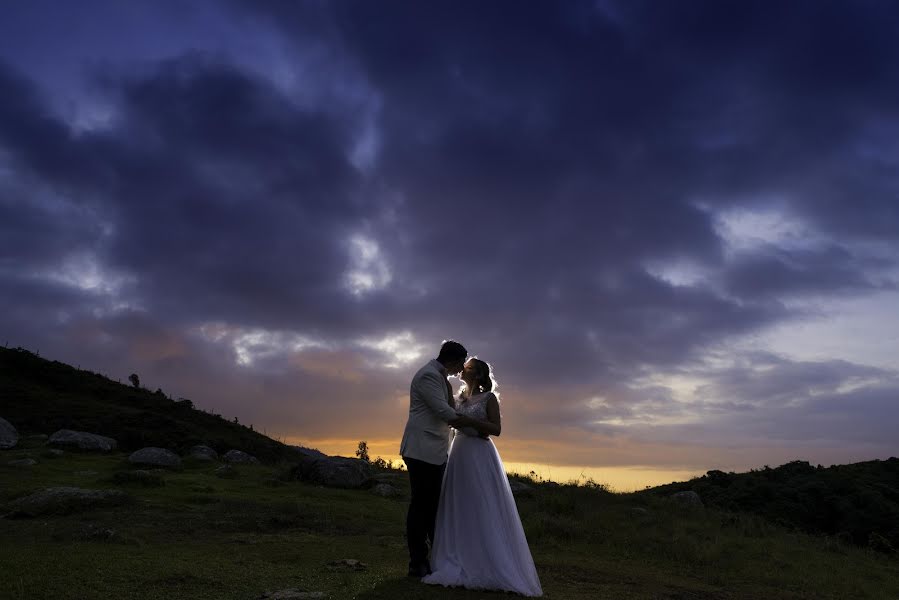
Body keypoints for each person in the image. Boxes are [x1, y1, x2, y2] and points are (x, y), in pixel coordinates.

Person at [422, 358, 543, 596]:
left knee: (481, 503)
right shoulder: (459, 398)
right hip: (459, 453)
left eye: (466, 368)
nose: (462, 370)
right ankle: (457, 553)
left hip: (478, 452)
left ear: (476, 374)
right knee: (460, 503)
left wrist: (470, 421)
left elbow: (496, 429)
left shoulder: (489, 399)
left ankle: (486, 559)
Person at [400, 340, 480, 578]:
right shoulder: (428, 376)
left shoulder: (440, 377)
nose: (460, 371)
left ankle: (434, 558)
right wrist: (476, 431)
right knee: (420, 506)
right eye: (460, 365)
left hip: (434, 451)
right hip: (421, 449)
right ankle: (417, 562)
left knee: (432, 506)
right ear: (454, 361)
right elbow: (442, 411)